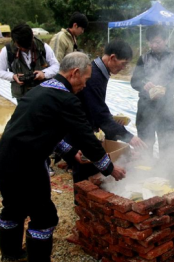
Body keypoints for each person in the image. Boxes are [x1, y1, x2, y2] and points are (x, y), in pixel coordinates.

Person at [0, 52, 125, 262]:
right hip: (28, 164)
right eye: (85, 80)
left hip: (5, 157)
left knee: (13, 208)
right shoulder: (66, 99)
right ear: (75, 73)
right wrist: (110, 168)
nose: (85, 86)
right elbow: (87, 138)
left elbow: (41, 129)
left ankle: (10, 255)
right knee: (44, 217)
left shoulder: (39, 90)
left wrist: (69, 151)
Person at [63, 40, 147, 183]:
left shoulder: (99, 71)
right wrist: (128, 136)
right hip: (77, 129)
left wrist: (112, 123)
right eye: (123, 63)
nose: (124, 68)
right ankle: (82, 201)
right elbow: (98, 112)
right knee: (85, 172)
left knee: (88, 167)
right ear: (112, 58)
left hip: (84, 125)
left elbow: (95, 106)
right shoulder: (94, 75)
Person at [131, 25, 174, 158]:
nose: (154, 45)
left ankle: (167, 173)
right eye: (151, 42)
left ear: (165, 40)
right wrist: (144, 84)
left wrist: (165, 89)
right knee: (144, 142)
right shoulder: (143, 59)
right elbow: (134, 81)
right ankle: (144, 172)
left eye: (157, 42)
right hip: (145, 106)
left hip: (166, 106)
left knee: (167, 142)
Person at [0, 24, 59, 100]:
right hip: (22, 96)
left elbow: (56, 66)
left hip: (43, 94)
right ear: (15, 42)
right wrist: (13, 76)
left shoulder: (42, 47)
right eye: (20, 47)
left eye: (27, 46)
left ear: (32, 38)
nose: (24, 49)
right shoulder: (7, 51)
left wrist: (44, 74)